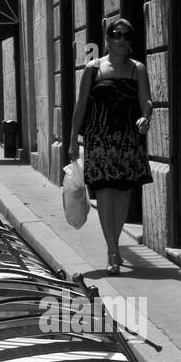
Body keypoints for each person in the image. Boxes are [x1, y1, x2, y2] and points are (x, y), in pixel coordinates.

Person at [65, 18, 153, 274]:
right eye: (117, 34)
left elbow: (146, 100)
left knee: (123, 193)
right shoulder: (94, 69)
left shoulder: (138, 69)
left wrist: (145, 117)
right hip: (99, 139)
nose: (122, 40)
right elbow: (80, 106)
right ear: (107, 38)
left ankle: (113, 246)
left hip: (127, 140)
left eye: (127, 36)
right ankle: (113, 250)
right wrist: (72, 140)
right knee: (104, 193)